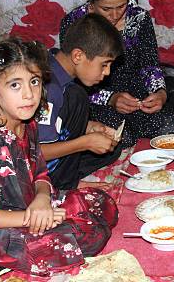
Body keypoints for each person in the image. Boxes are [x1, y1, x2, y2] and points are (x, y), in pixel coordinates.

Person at [0, 38, 118, 281]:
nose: (29, 94)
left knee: (101, 202)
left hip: (33, 205)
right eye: (15, 85)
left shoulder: (27, 122)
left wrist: (42, 199)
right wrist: (34, 216)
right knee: (77, 239)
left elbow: (39, 171)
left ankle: (12, 249)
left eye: (34, 82)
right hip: (3, 224)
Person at [60, 0, 174, 149]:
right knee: (120, 137)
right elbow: (71, 77)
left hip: (134, 93)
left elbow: (149, 63)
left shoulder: (139, 18)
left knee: (168, 123)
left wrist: (159, 93)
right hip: (93, 93)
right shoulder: (75, 24)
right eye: (106, 9)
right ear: (91, 4)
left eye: (121, 6)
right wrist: (111, 98)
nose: (115, 15)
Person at [39, 13, 124, 190]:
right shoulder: (51, 88)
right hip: (27, 167)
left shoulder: (55, 65)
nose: (107, 72)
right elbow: (34, 152)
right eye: (104, 64)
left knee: (111, 148)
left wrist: (88, 127)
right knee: (77, 97)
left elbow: (56, 123)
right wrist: (85, 142)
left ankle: (66, 177)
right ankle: (62, 183)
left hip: (47, 150)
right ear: (78, 56)